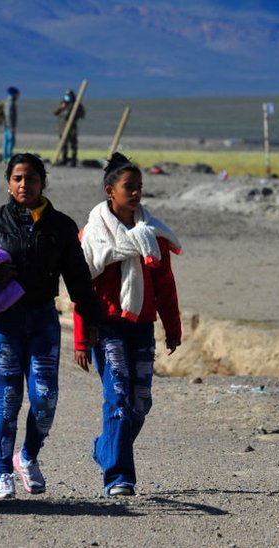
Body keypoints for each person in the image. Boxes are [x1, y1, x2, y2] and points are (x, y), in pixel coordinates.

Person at [0, 152, 101, 500]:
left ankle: (28, 457)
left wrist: (90, 322)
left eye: (32, 178)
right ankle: (3, 472)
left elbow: (79, 279)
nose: (25, 185)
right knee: (8, 398)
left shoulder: (61, 226)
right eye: (18, 178)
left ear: (43, 182)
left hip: (42, 321)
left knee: (46, 398)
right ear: (7, 183)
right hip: (1, 323)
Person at [75, 152, 182, 497]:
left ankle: (105, 448)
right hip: (107, 328)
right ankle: (119, 476)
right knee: (118, 398)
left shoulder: (153, 234)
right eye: (128, 187)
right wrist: (81, 337)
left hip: (142, 326)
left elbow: (165, 285)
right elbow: (82, 290)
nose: (136, 193)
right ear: (111, 191)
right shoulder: (93, 236)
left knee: (141, 401)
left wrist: (173, 328)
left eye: (139, 187)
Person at [53, 88, 86, 167]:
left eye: (69, 96)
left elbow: (82, 115)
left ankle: (73, 161)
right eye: (66, 96)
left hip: (72, 128)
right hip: (63, 127)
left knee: (73, 144)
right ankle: (64, 159)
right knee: (63, 144)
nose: (67, 97)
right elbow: (55, 113)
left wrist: (76, 110)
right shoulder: (63, 103)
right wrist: (61, 107)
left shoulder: (76, 104)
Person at [2, 86, 19, 162]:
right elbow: (9, 115)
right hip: (9, 126)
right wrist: (12, 126)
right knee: (10, 141)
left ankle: (5, 157)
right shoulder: (11, 103)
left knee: (6, 141)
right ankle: (8, 157)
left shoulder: (6, 102)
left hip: (6, 125)